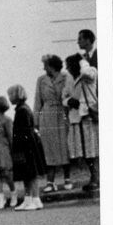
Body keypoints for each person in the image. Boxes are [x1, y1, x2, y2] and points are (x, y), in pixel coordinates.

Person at [34, 55, 72, 192]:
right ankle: (50, 181)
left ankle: (67, 178)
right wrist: (36, 121)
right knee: (49, 148)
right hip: (48, 116)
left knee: (65, 145)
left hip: (63, 113)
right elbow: (38, 101)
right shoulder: (41, 80)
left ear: (52, 66)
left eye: (46, 65)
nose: (44, 68)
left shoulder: (66, 77)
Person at [63, 53, 99, 193]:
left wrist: (82, 61)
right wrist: (68, 101)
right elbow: (64, 96)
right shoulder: (70, 78)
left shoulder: (90, 74)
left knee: (92, 150)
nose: (67, 69)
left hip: (88, 116)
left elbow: (85, 71)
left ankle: (96, 179)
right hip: (77, 118)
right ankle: (94, 178)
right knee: (84, 152)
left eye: (69, 65)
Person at [8, 84, 47, 211]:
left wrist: (21, 147)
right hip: (26, 145)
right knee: (26, 173)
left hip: (27, 146)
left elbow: (25, 132)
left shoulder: (22, 111)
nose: (9, 98)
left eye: (10, 95)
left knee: (31, 173)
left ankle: (36, 199)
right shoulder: (22, 109)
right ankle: (28, 199)